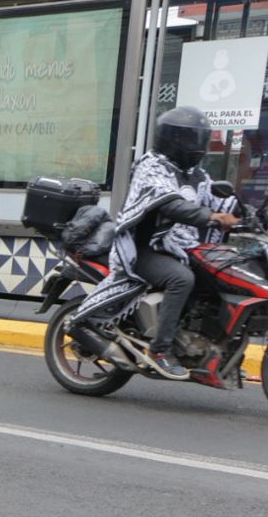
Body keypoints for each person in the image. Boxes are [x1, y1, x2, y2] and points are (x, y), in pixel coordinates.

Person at [69, 106, 238, 380]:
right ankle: (160, 350)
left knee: (217, 272)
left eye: (200, 138)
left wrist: (242, 211)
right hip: (142, 249)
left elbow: (215, 199)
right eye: (191, 139)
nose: (196, 146)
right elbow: (172, 205)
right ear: (173, 138)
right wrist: (211, 217)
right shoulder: (151, 167)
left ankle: (195, 337)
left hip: (179, 246)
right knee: (181, 278)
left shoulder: (194, 173)